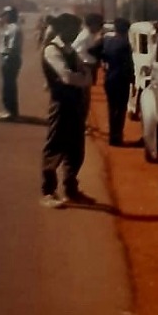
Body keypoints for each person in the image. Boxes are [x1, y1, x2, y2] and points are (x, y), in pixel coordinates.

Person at [40, 13, 93, 208]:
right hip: (61, 103)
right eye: (74, 29)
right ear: (63, 30)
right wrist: (84, 78)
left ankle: (71, 188)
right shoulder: (52, 50)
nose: (77, 33)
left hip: (75, 103)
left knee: (75, 148)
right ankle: (48, 191)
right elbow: (68, 77)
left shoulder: (69, 50)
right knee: (55, 146)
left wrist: (83, 76)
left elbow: (83, 71)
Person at [98, 17, 134, 146]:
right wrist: (132, 79)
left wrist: (105, 61)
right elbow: (129, 64)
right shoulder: (125, 44)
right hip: (121, 80)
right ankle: (117, 136)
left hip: (109, 78)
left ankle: (112, 137)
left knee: (111, 108)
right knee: (120, 110)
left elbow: (97, 53)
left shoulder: (107, 41)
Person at [72, 13, 104, 122]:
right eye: (99, 25)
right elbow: (78, 52)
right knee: (83, 98)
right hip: (85, 68)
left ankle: (81, 120)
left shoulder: (88, 35)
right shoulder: (85, 36)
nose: (100, 28)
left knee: (85, 97)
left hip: (87, 67)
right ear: (92, 25)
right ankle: (81, 121)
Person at [0, 6, 23, 119]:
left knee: (8, 86)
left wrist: (6, 57)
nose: (3, 17)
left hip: (10, 59)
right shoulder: (12, 28)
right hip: (11, 58)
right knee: (9, 85)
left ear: (10, 15)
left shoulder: (13, 29)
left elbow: (11, 47)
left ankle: (9, 111)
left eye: (5, 14)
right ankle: (11, 110)